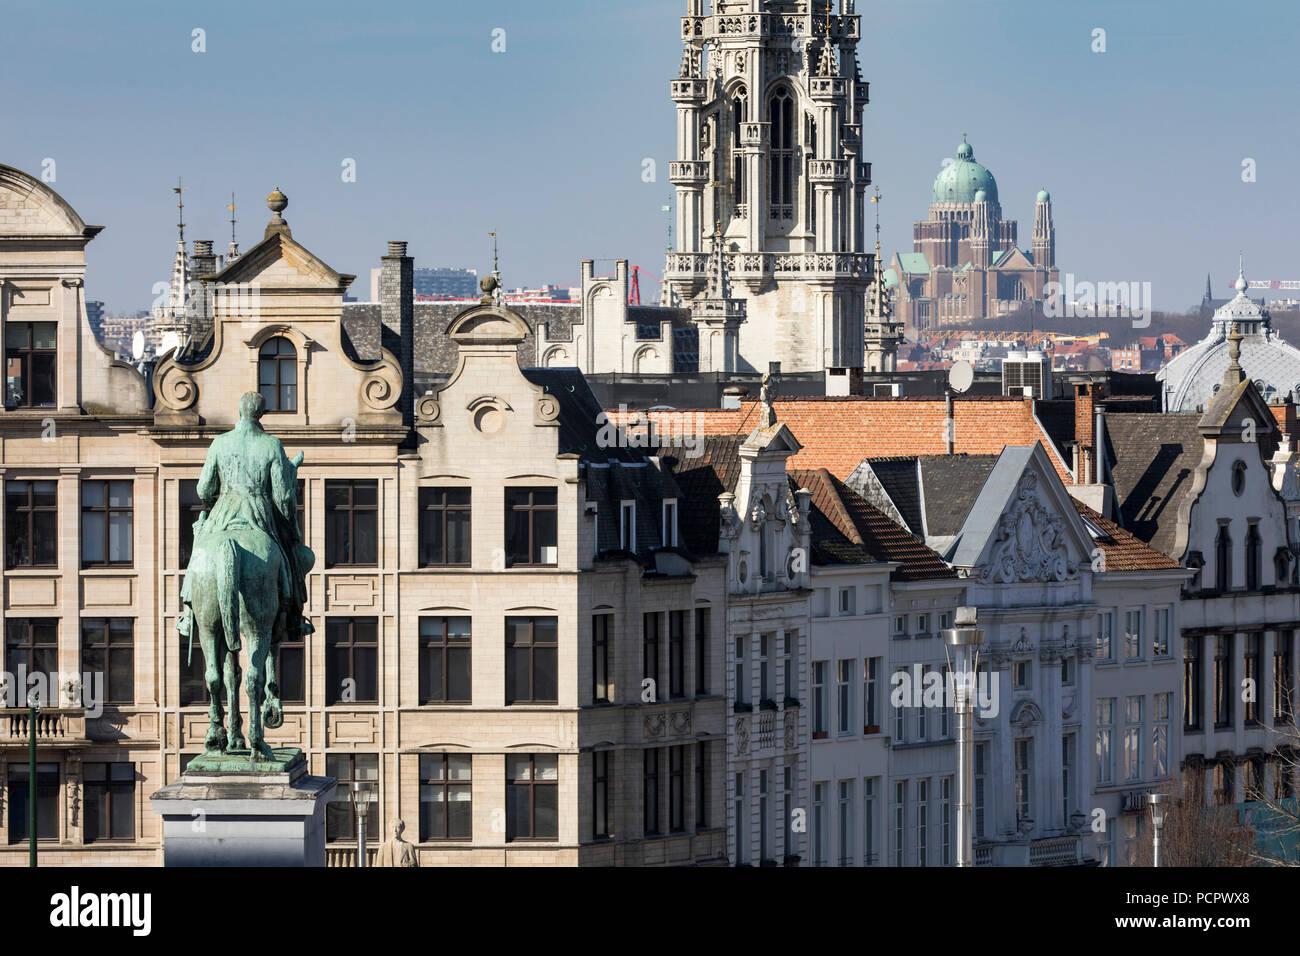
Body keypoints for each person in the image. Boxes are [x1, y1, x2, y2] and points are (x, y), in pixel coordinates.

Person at [177, 391, 313, 646]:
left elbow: (203, 489)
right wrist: (289, 523)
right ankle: (295, 616)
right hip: (259, 519)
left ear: (240, 412)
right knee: (291, 556)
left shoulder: (219, 443)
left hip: (222, 516)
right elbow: (283, 498)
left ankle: (187, 613)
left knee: (199, 554)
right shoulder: (272, 445)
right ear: (261, 414)